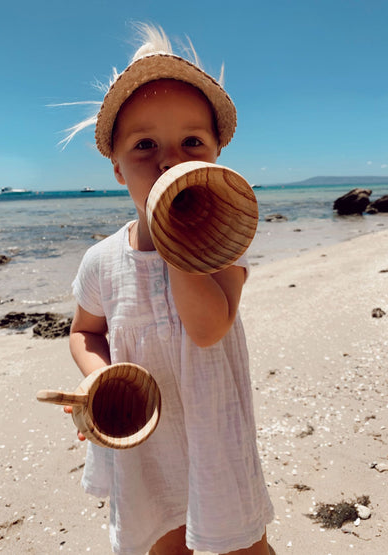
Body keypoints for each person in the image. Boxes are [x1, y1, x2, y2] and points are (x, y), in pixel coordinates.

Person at [64, 23, 274, 555]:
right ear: (116, 168)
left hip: (214, 435)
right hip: (143, 442)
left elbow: (206, 330)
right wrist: (99, 378)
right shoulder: (101, 261)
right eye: (145, 145)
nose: (170, 159)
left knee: (241, 545)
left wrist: (180, 234)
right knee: (161, 540)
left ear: (216, 156)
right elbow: (84, 332)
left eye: (191, 143)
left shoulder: (224, 246)